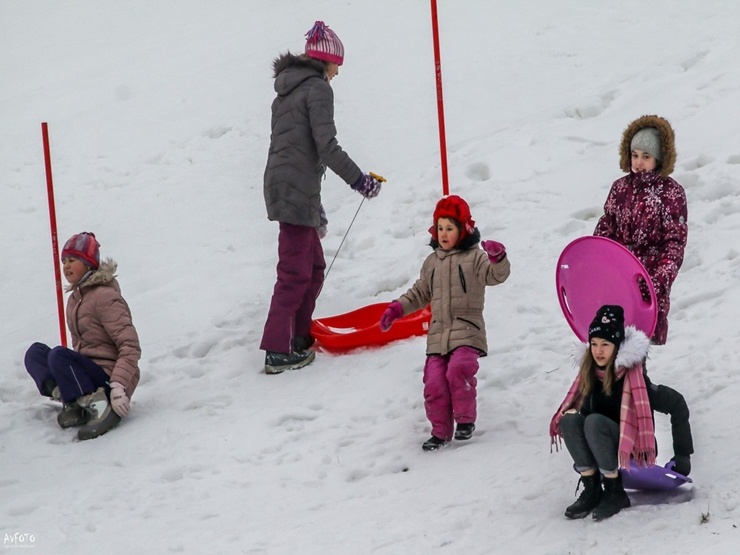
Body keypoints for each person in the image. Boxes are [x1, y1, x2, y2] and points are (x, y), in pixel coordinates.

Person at [260, 20, 384, 374]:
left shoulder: (287, 90)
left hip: (286, 186)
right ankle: (277, 350)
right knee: (294, 273)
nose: (337, 74)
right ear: (324, 62)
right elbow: (325, 147)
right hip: (294, 190)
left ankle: (298, 336)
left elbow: (296, 152)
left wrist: (315, 207)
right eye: (336, 66)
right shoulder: (317, 89)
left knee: (312, 268)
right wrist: (359, 181)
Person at [380, 195, 511, 451]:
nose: (443, 234)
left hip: (468, 330)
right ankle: (440, 432)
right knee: (433, 383)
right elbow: (419, 293)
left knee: (458, 370)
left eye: (449, 228)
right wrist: (396, 309)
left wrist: (498, 258)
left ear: (463, 230)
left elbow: (496, 276)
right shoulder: (432, 263)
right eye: (440, 228)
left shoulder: (475, 258)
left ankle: (464, 421)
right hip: (438, 336)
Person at [549, 305, 694, 521]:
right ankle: (592, 488)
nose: (598, 351)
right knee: (569, 420)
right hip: (600, 447)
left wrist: (682, 454)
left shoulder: (635, 380)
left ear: (616, 347)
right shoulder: (588, 376)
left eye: (605, 345)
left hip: (631, 451)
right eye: (594, 344)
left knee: (595, 422)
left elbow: (677, 403)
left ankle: (615, 491)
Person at [25, 232, 141, 441]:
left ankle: (99, 404)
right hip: (87, 373)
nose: (66, 266)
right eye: (64, 261)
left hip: (108, 377)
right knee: (36, 353)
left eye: (73, 260)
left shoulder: (105, 297)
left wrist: (118, 386)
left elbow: (130, 345)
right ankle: (72, 400)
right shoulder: (76, 300)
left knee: (59, 355)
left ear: (89, 264)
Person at [594, 115, 687, 346]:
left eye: (646, 156)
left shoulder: (671, 193)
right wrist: (597, 260)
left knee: (637, 345)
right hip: (618, 278)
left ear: (659, 158)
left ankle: (637, 382)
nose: (638, 162)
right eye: (634, 155)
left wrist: (657, 280)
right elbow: (608, 226)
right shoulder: (620, 188)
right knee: (610, 340)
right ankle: (613, 382)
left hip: (649, 282)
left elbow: (674, 243)